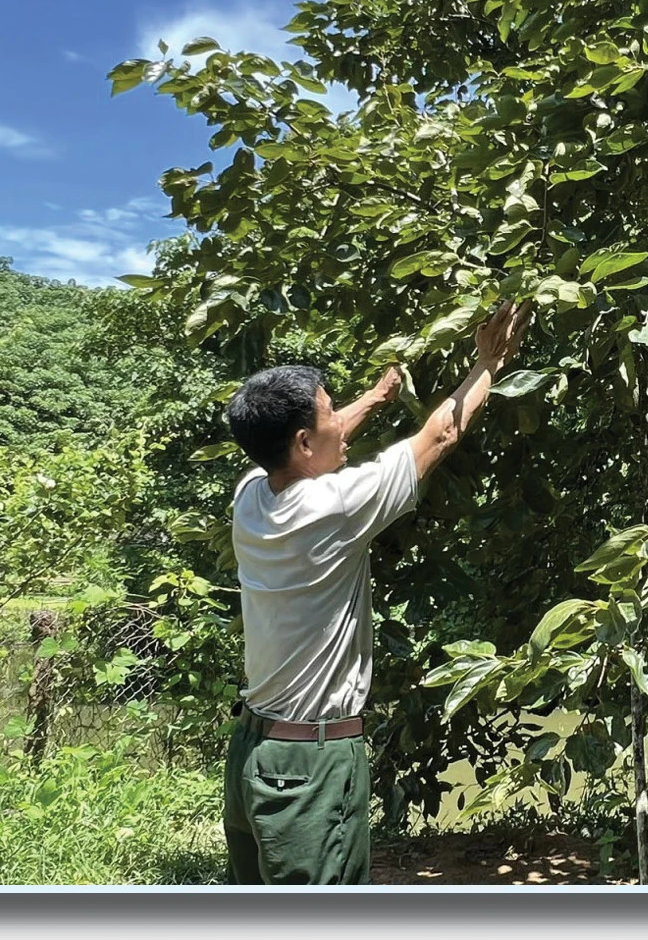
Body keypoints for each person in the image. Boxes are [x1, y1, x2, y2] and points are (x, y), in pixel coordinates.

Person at [218, 299, 532, 884]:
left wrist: (373, 398)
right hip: (311, 763)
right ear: (305, 444)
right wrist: (490, 361)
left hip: (254, 752)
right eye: (331, 413)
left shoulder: (251, 494)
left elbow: (317, 447)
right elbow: (440, 435)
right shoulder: (332, 508)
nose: (341, 422)